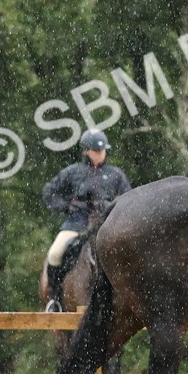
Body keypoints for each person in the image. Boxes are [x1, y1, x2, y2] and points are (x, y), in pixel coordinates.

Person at [42, 128, 132, 311]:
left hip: (107, 226)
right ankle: (55, 299)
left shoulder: (116, 175)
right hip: (78, 223)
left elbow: (128, 199)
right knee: (55, 253)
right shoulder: (73, 172)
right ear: (86, 152)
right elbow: (49, 191)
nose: (101, 155)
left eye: (102, 151)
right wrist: (66, 206)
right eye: (96, 151)